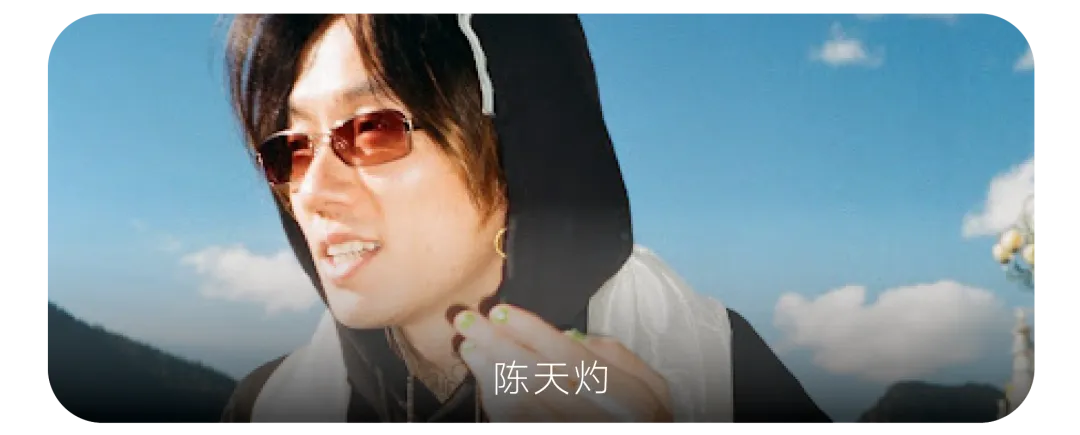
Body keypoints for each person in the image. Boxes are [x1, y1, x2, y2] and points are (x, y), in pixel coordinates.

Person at [219, 9, 831, 424]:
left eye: (372, 129)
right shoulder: (266, 405)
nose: (312, 191)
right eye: (292, 149)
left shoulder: (717, 367)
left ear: (516, 149)